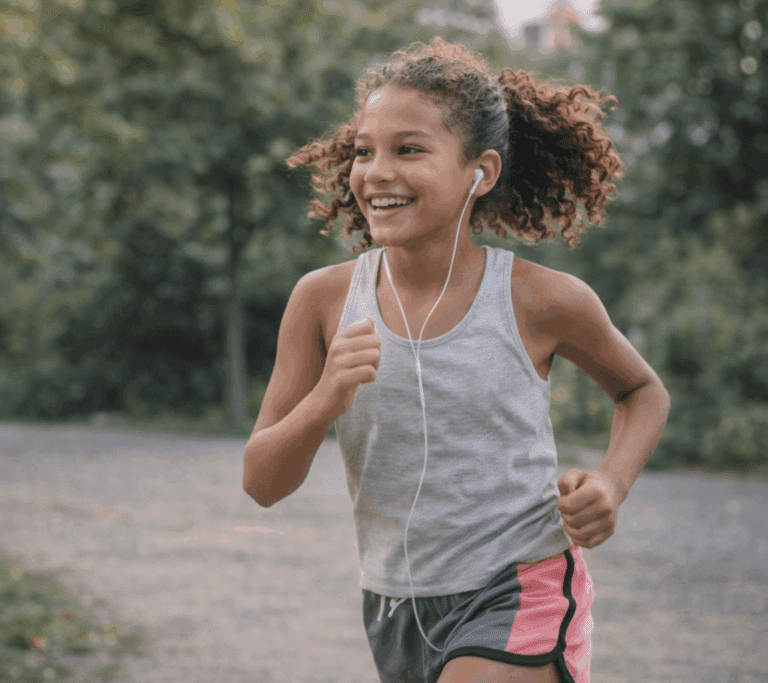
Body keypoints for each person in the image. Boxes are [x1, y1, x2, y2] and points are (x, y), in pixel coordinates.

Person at [242, 38, 670, 683]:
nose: (375, 171)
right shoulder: (323, 300)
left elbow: (641, 391)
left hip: (519, 584)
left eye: (408, 149)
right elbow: (262, 482)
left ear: (482, 172)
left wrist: (612, 481)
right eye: (364, 151)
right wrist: (327, 396)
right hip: (394, 603)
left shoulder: (540, 299)